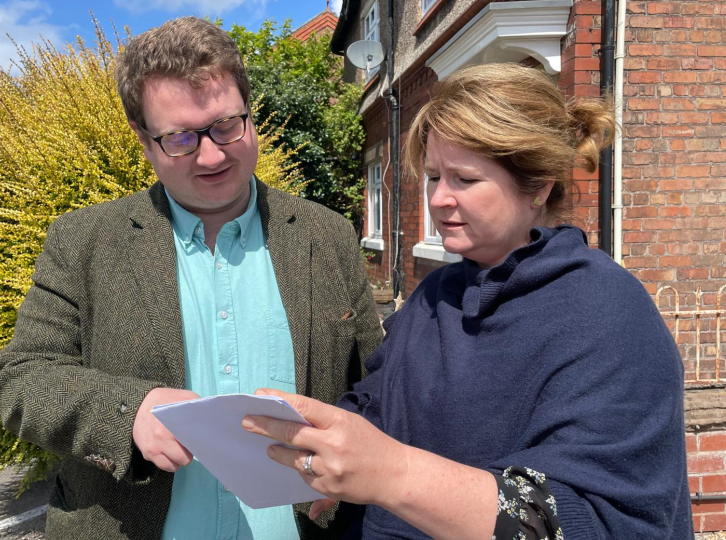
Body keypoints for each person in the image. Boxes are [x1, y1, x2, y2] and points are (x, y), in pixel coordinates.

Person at [242, 63, 694, 539]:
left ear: (539, 185)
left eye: (464, 179)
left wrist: (392, 473)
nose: (438, 199)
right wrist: (327, 441)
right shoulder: (438, 293)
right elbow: (381, 399)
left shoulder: (606, 312)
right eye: (435, 176)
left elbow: (597, 522)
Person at [0, 17, 382, 540]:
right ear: (144, 140)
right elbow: (22, 377)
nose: (213, 154)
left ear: (250, 113)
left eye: (226, 126)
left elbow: (376, 381)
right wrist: (127, 414)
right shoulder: (81, 241)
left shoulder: (327, 235)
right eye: (180, 137)